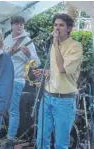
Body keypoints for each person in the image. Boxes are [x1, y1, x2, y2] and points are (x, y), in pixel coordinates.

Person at [33, 13, 83, 149]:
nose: (57, 28)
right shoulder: (53, 47)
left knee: (61, 143)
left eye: (61, 25)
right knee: (41, 139)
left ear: (69, 28)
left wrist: (55, 43)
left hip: (64, 101)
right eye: (55, 25)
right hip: (47, 96)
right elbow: (56, 71)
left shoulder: (75, 46)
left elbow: (62, 69)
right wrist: (46, 72)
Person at [3, 15, 41, 148]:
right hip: (3, 80)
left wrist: (28, 55)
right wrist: (9, 52)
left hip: (17, 80)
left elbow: (37, 63)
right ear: (12, 25)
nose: (19, 26)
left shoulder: (27, 40)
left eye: (21, 24)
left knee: (13, 110)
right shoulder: (7, 39)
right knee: (1, 108)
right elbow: (1, 59)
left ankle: (10, 139)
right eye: (17, 24)